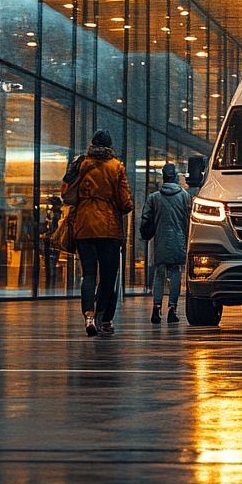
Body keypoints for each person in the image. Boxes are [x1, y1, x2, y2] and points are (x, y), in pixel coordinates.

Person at [63, 129, 133, 337]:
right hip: (108, 229)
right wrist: (126, 205)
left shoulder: (81, 163)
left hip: (84, 227)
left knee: (89, 274)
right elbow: (125, 201)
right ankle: (103, 316)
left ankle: (89, 316)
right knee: (108, 276)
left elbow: (66, 193)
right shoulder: (116, 167)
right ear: (110, 146)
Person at [140, 163, 191, 325]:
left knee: (159, 273)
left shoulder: (154, 197)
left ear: (163, 177)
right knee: (175, 272)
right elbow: (189, 219)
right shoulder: (184, 196)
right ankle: (172, 309)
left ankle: (156, 309)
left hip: (160, 240)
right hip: (179, 239)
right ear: (175, 177)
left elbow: (146, 220)